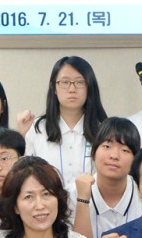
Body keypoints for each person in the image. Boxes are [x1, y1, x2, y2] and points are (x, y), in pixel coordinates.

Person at [22, 56, 105, 189]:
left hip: (93, 202)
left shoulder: (103, 131)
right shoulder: (37, 129)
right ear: (54, 88)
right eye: (65, 82)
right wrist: (20, 136)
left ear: (89, 87)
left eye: (79, 82)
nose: (72, 89)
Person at [71, 116, 142, 238]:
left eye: (124, 150)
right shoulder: (73, 193)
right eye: (107, 146)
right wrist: (82, 200)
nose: (114, 156)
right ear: (93, 153)